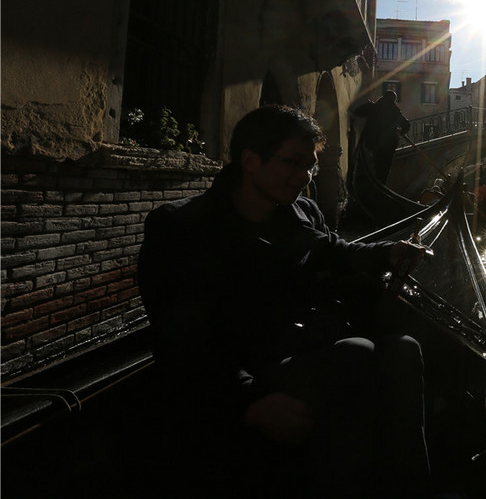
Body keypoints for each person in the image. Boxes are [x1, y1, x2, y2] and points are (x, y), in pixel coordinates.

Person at [137, 105, 430, 497]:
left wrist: (389, 252)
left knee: (404, 349)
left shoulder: (300, 211)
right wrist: (246, 401)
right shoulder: (182, 228)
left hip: (297, 350)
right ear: (251, 161)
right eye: (292, 163)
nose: (304, 176)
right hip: (241, 374)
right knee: (356, 353)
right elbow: (178, 342)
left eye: (309, 165)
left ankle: (412, 489)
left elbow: (333, 250)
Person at [352, 90, 410, 184]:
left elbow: (358, 112)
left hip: (374, 143)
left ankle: (377, 185)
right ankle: (381, 185)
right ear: (393, 100)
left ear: (383, 97)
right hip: (389, 144)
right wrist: (401, 132)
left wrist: (370, 106)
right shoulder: (395, 111)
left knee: (377, 165)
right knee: (385, 169)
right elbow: (406, 125)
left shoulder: (374, 107)